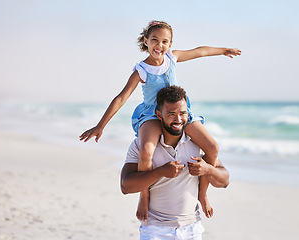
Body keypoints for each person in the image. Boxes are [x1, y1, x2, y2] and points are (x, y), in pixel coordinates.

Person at [79, 20, 240, 221]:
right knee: (147, 150)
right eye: (154, 40)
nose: (159, 45)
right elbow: (121, 98)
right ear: (145, 41)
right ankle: (144, 197)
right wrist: (100, 125)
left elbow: (200, 51)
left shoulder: (172, 58)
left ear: (170, 44)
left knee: (213, 146)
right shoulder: (141, 70)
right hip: (151, 115)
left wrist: (223, 50)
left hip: (180, 113)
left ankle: (202, 193)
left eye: (165, 41)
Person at [121, 86, 230, 240]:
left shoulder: (198, 144)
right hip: (155, 230)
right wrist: (160, 172)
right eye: (171, 114)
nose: (178, 120)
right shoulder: (142, 145)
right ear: (159, 114)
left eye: (183, 113)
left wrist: (208, 170)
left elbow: (225, 181)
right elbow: (125, 186)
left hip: (192, 229)